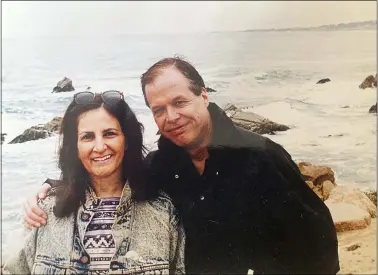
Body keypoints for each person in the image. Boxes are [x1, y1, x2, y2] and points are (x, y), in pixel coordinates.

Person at [23, 57, 340, 274]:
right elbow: (114, 176)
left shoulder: (261, 157)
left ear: (203, 95)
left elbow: (318, 243)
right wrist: (53, 187)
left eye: (179, 102)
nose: (171, 117)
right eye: (158, 109)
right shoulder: (163, 163)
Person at [3, 90, 185, 274]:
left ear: (127, 140)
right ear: (75, 147)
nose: (99, 147)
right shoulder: (45, 212)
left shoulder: (163, 212)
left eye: (109, 134)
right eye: (87, 137)